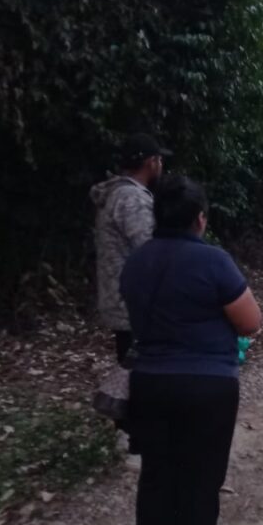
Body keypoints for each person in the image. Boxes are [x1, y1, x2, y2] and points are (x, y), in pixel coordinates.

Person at [120, 175, 262, 525]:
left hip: (148, 383)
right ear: (200, 219)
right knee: (200, 478)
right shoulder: (213, 261)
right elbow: (250, 322)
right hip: (207, 385)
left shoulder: (136, 261)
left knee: (156, 476)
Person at [91, 132, 168, 364]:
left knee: (132, 366)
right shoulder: (132, 198)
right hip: (134, 303)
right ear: (151, 163)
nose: (162, 166)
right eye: (160, 160)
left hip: (122, 297)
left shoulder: (117, 193)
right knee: (141, 369)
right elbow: (150, 250)